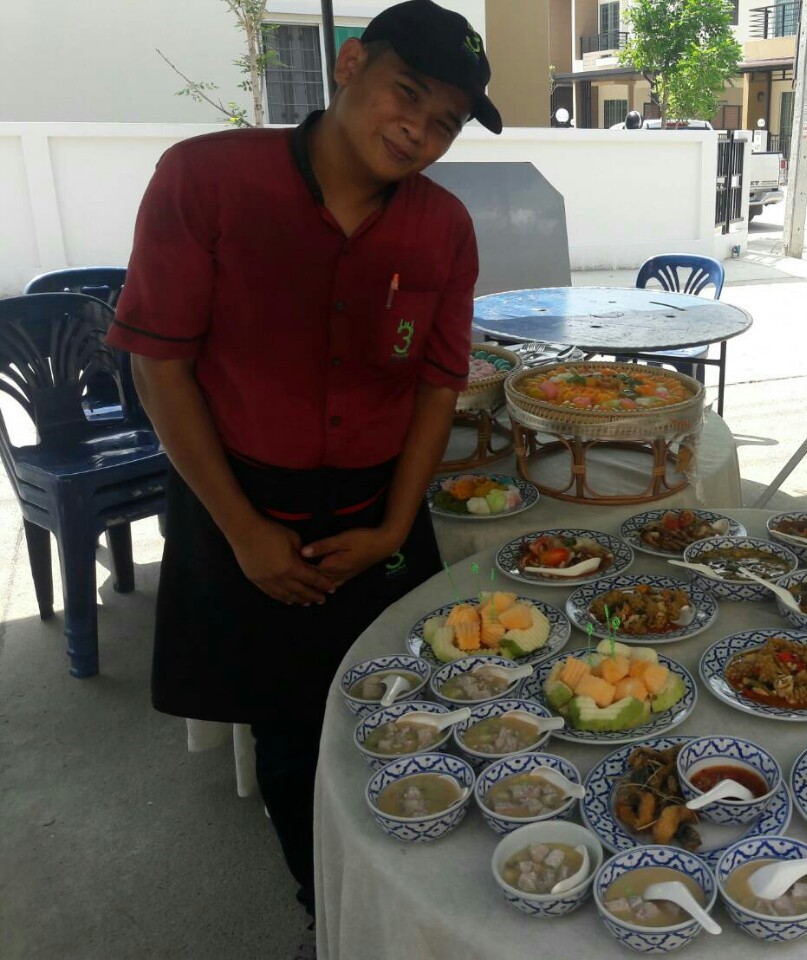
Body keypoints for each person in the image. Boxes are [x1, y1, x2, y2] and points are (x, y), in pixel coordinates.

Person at [104, 0, 501, 941]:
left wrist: (394, 527)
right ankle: (326, 914)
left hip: (376, 502)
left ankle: (411, 902)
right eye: (408, 93)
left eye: (446, 120)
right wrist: (245, 533)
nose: (419, 128)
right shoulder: (206, 178)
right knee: (289, 731)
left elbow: (438, 385)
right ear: (351, 64)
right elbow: (159, 365)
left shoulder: (444, 227)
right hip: (240, 499)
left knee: (421, 706)